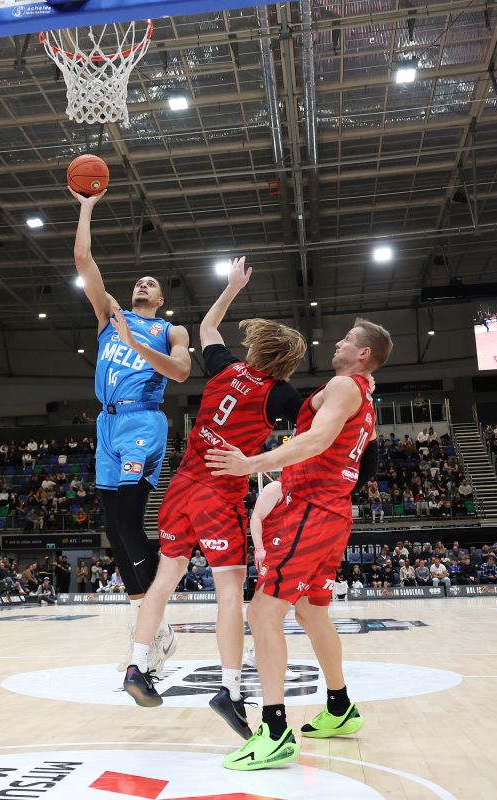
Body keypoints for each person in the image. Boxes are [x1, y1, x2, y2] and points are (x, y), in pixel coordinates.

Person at [122, 257, 309, 736]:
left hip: (180, 486)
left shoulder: (224, 367)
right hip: (218, 493)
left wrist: (231, 289)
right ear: (286, 363)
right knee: (229, 590)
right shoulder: (279, 393)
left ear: (258, 347)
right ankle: (231, 688)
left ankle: (137, 665)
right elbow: (315, 420)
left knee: (165, 580)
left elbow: (207, 324)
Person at [206, 318, 392, 771]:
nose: (338, 342)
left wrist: (251, 463)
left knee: (263, 613)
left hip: (309, 509)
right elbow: (351, 454)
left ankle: (273, 732)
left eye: (347, 339)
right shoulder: (365, 397)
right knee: (311, 611)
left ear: (363, 354)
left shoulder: (346, 386)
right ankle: (340, 706)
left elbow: (315, 440)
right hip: (330, 511)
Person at [71, 188, 192, 670]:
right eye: (138, 280)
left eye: (150, 283)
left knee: (128, 520)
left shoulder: (170, 331)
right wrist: (86, 206)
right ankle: (153, 625)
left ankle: (154, 617)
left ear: (160, 298)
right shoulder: (109, 315)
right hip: (106, 422)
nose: (141, 284)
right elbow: (83, 258)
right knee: (110, 527)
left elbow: (181, 373)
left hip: (143, 417)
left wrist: (134, 344)